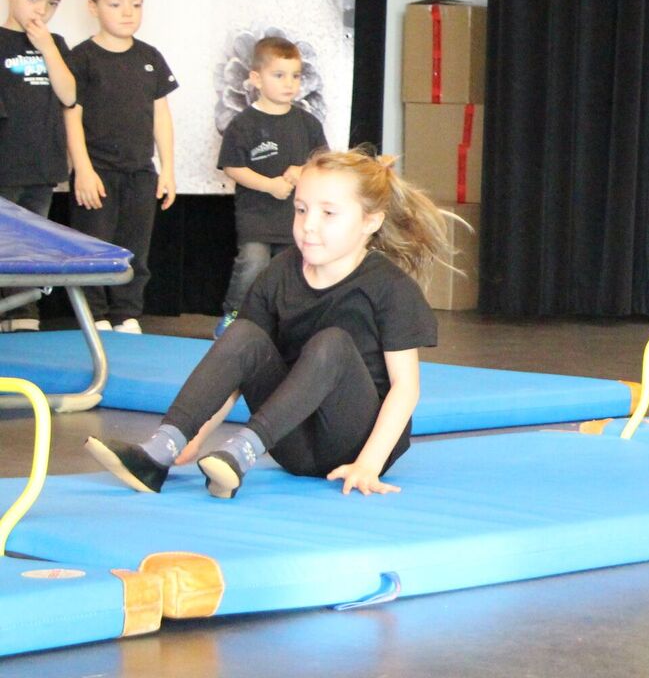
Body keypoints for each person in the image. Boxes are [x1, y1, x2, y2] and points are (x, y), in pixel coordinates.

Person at [84, 148, 457, 498]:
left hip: (355, 440)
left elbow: (405, 387)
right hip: (291, 442)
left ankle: (242, 450)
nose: (309, 226)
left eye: (328, 214)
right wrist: (194, 434)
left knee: (333, 343)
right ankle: (160, 451)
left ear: (370, 221)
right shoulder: (279, 272)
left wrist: (369, 464)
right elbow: (236, 365)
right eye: (301, 210)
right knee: (244, 333)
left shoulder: (389, 286)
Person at [65, 0, 178, 333]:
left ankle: (126, 314)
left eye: (136, 4)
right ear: (93, 6)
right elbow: (71, 116)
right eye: (115, 4)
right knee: (93, 246)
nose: (127, 13)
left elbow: (161, 115)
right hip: (97, 172)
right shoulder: (81, 58)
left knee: (135, 249)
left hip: (140, 173)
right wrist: (83, 169)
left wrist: (168, 170)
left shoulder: (149, 57)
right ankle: (95, 316)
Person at [216, 36, 327, 337]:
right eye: (279, 75)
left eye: (295, 76)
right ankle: (233, 315)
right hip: (257, 215)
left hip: (295, 218)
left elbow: (322, 162)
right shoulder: (243, 124)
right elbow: (232, 167)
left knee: (290, 272)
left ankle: (282, 324)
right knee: (252, 264)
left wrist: (302, 170)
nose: (289, 83)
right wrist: (269, 185)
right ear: (256, 78)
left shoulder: (308, 123)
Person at [0, 0, 77, 332]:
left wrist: (47, 47)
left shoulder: (55, 44)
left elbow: (69, 95)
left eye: (52, 3)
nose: (41, 11)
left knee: (30, 246)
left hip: (42, 168)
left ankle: (24, 315)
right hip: (6, 166)